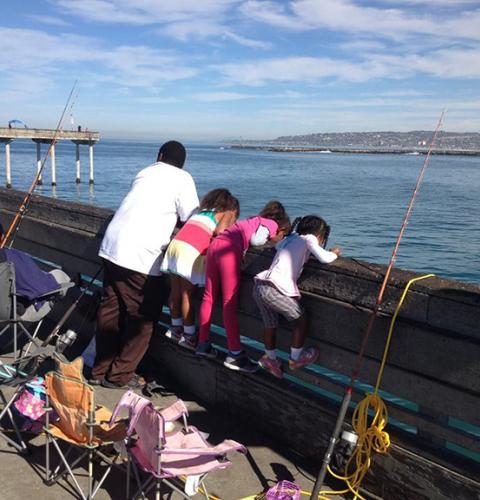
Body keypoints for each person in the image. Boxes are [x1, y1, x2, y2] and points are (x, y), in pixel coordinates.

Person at [91, 141, 199, 389]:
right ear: (182, 163)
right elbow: (192, 217)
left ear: (160, 155)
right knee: (143, 318)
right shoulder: (183, 179)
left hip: (112, 246)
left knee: (111, 309)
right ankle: (118, 377)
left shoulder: (145, 172)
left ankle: (99, 370)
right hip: (141, 256)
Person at [196, 200, 291, 372]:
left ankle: (203, 343)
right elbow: (256, 239)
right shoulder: (271, 224)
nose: (280, 238)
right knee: (229, 303)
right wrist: (270, 239)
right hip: (228, 251)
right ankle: (234, 354)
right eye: (283, 235)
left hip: (215, 245)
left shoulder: (251, 220)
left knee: (208, 297)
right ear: (281, 228)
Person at [252, 215, 341, 379]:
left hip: (260, 286)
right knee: (301, 319)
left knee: (270, 324)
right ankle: (295, 358)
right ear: (319, 236)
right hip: (274, 289)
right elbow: (324, 258)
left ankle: (270, 359)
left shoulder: (291, 238)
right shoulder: (309, 239)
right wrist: (334, 253)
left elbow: (278, 246)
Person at [160, 188, 239, 348]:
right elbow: (221, 231)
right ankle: (188, 335)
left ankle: (175, 328)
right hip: (190, 250)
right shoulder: (228, 212)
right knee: (187, 295)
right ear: (232, 208)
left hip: (175, 246)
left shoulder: (201, 212)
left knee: (175, 292)